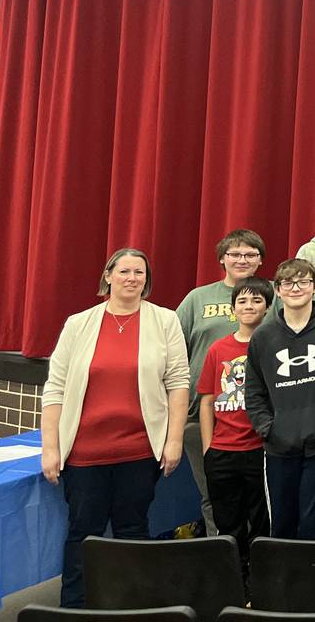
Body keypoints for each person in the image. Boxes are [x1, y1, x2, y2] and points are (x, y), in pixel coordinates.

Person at [43, 248, 190, 607]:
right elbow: (55, 388)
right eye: (124, 271)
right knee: (82, 534)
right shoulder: (79, 324)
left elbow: (179, 383)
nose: (132, 278)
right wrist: (51, 447)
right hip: (84, 453)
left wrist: (174, 440)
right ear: (108, 276)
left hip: (139, 451)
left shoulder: (165, 320)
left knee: (132, 531)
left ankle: (131, 606)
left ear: (146, 279)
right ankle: (75, 608)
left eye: (139, 272)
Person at [245, 259, 315, 540]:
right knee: (282, 521)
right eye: (288, 283)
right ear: (278, 290)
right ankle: (282, 583)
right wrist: (268, 427)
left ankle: (313, 580)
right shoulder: (263, 336)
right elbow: (254, 391)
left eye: (303, 282)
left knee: (312, 520)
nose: (296, 288)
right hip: (279, 444)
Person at [176, 229, 266, 535]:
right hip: (200, 413)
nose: (242, 260)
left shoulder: (272, 299)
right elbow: (174, 351)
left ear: (260, 261)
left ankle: (255, 561)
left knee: (258, 499)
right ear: (222, 259)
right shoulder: (197, 298)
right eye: (235, 254)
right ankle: (222, 558)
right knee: (214, 495)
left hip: (257, 418)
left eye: (250, 254)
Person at [196, 275, 274, 578]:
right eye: (242, 300)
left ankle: (260, 583)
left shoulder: (272, 344)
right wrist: (208, 447)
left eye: (256, 300)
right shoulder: (218, 349)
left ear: (268, 307)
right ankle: (231, 583)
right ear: (233, 308)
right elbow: (206, 400)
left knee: (261, 521)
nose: (249, 305)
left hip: (260, 450)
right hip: (222, 451)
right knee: (228, 524)